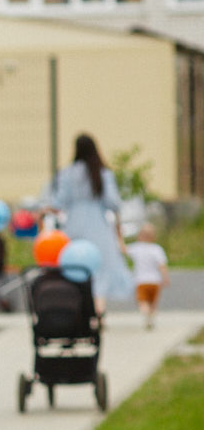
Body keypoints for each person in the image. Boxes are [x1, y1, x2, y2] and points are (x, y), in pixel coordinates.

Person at [48, 133, 134, 309]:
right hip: (98, 227)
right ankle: (98, 313)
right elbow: (113, 202)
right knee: (100, 270)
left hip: (73, 225)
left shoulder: (67, 173)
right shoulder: (102, 173)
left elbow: (59, 202)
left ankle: (80, 313)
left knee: (76, 267)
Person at [125, 223, 169, 330]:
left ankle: (146, 314)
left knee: (142, 302)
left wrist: (118, 234)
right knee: (153, 303)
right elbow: (162, 266)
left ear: (139, 235)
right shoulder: (157, 249)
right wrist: (165, 278)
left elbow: (123, 249)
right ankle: (151, 317)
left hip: (141, 280)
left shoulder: (136, 248)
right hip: (155, 281)